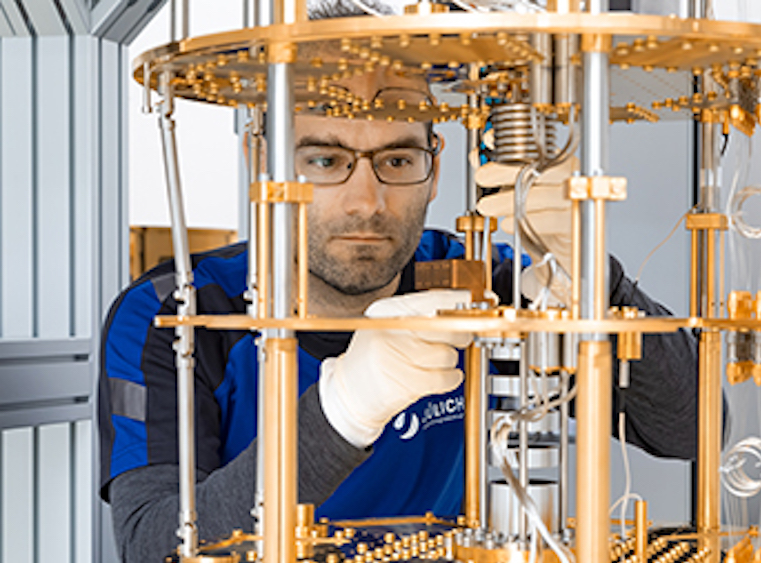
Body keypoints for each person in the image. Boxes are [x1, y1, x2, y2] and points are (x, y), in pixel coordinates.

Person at [98, 28, 699, 563]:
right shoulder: (177, 313)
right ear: (267, 164)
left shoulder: (482, 279)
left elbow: (692, 431)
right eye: (326, 158)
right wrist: (343, 410)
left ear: (435, 171)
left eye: (398, 159)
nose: (367, 201)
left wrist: (592, 277)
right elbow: (154, 544)